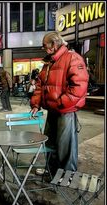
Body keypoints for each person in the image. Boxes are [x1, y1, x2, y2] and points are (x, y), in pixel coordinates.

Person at [30, 31, 88, 176]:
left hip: (65, 110)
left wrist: (61, 103)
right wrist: (36, 104)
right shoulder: (49, 62)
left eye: (45, 46)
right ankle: (51, 171)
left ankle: (67, 175)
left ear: (54, 45)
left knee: (65, 146)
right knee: (49, 142)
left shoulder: (72, 58)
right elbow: (39, 85)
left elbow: (79, 87)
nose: (44, 49)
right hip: (53, 109)